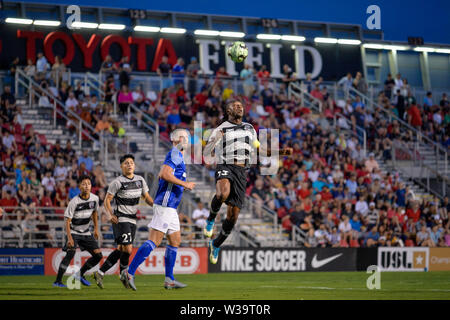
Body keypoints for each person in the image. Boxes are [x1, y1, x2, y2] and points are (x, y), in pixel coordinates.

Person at [203, 99, 293, 264]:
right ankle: (211, 219)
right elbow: (206, 152)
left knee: (233, 216)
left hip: (241, 171)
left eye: (241, 106)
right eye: (235, 106)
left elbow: (261, 150)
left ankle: (216, 244)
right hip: (225, 164)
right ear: (228, 110)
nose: (239, 107)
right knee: (222, 194)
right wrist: (215, 139)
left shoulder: (249, 128)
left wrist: (280, 152)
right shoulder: (221, 129)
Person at [122, 129, 196, 290]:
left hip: (171, 207)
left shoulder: (178, 156)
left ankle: (169, 279)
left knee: (175, 241)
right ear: (176, 139)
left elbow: (164, 174)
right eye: (185, 137)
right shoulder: (174, 153)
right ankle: (129, 272)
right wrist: (185, 184)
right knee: (154, 240)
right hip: (165, 204)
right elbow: (164, 174)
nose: (188, 140)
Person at [92, 154, 154, 289]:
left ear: (135, 165)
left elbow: (147, 197)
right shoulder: (117, 182)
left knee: (122, 249)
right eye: (126, 163)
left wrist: (156, 207)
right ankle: (123, 275)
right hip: (121, 218)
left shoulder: (140, 180)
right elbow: (107, 199)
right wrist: (109, 215)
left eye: (131, 162)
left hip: (133, 219)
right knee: (128, 248)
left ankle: (100, 272)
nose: (129, 165)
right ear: (121, 166)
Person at [53, 175, 102, 288]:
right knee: (71, 253)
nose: (87, 186)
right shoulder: (74, 202)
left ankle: (79, 274)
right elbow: (67, 220)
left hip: (86, 232)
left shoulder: (95, 199)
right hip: (74, 232)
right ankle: (57, 281)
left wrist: (95, 229)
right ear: (79, 187)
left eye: (89, 184)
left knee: (98, 256)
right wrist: (69, 238)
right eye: (84, 184)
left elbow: (94, 213)